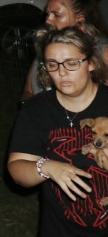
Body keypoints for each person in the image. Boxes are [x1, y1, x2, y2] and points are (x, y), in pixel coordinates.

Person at [7, 26, 108, 236]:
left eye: (71, 63)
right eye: (53, 65)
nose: (62, 72)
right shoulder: (37, 110)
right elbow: (17, 169)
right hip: (59, 229)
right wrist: (46, 167)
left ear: (91, 63)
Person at [20, 0, 108, 103]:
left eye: (56, 15)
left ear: (80, 19)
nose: (48, 20)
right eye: (48, 14)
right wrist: (37, 108)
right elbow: (28, 91)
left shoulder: (101, 51)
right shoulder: (46, 47)